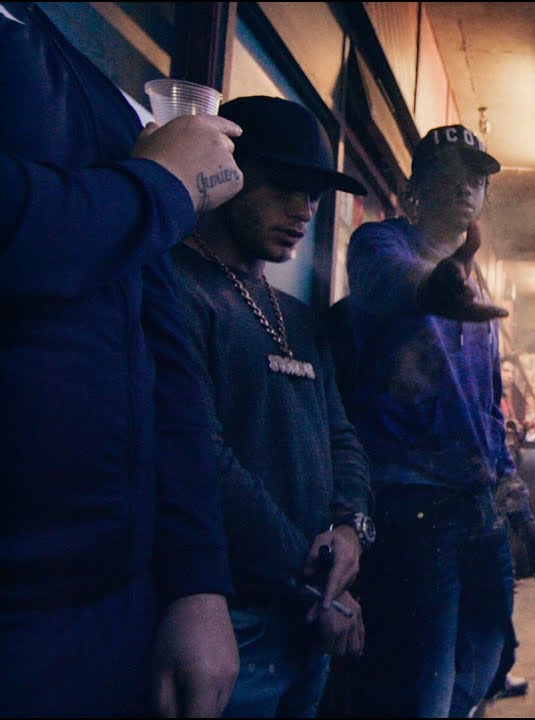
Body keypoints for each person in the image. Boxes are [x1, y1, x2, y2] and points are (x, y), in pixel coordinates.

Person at [0, 5, 245, 717]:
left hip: (116, 598)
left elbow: (166, 363)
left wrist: (196, 581)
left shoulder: (67, 65)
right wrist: (160, 187)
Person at [169, 96, 374, 717]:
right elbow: (202, 459)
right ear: (224, 175)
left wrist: (352, 527)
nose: (303, 211)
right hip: (223, 618)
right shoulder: (175, 289)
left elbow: (340, 435)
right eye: (284, 188)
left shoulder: (298, 318)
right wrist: (315, 578)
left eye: (313, 196)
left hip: (305, 616)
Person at [344, 124, 535, 718]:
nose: (465, 187)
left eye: (476, 178)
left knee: (486, 654)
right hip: (411, 502)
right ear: (415, 188)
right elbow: (392, 284)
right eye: (449, 175)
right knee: (424, 680)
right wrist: (436, 285)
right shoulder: (379, 244)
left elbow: (487, 409)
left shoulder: (476, 284)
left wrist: (518, 508)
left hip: (474, 504)